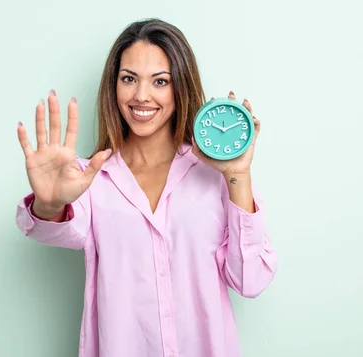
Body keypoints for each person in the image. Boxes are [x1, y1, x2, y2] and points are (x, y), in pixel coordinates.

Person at [15, 18, 278, 357]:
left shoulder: (216, 177)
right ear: (114, 86)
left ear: (179, 86)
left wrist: (238, 173)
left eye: (160, 81)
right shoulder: (88, 179)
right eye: (129, 79)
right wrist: (49, 205)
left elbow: (251, 280)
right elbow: (54, 229)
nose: (141, 95)